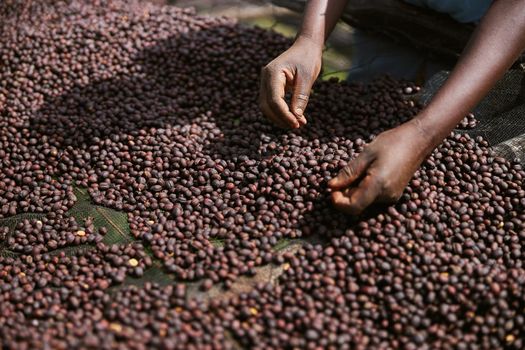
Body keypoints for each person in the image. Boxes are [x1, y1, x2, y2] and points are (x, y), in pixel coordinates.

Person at [259, 0, 525, 215]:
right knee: (370, 94)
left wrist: (423, 134)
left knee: (467, 131)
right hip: (391, 16)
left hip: (491, 40)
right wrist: (309, 39)